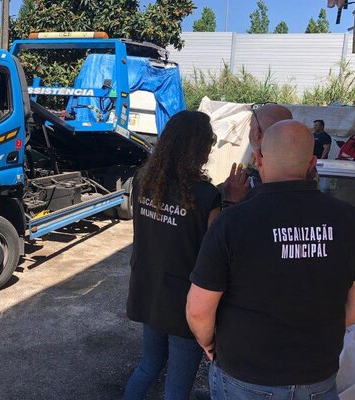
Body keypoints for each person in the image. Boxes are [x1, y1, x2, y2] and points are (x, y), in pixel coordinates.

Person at [186, 120, 355, 400]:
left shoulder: (232, 222)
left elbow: (198, 309)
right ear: (312, 163)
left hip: (245, 376)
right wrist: (324, 331)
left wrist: (209, 342)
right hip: (317, 376)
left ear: (259, 158)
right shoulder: (349, 218)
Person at [124, 110, 222, 400]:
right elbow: (217, 253)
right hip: (184, 302)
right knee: (176, 390)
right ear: (199, 148)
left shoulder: (144, 180)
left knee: (149, 365)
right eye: (209, 142)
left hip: (149, 290)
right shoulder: (206, 196)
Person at [222, 103, 293, 206]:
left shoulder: (239, 186)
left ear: (257, 133)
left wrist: (231, 201)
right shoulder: (306, 176)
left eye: (251, 127)